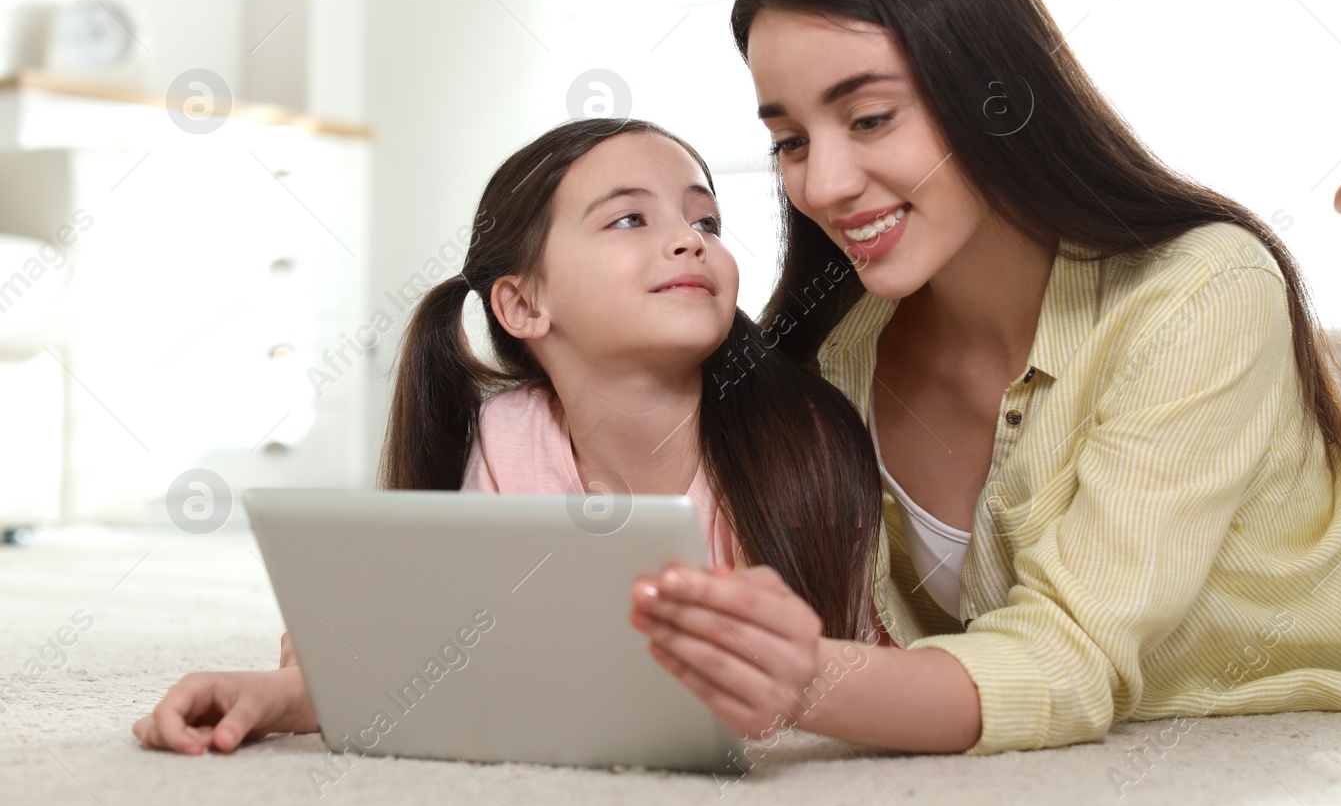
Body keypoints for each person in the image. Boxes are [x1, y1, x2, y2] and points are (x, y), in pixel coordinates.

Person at [627, 0, 1341, 757]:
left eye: (871, 117)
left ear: (991, 92)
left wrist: (815, 680)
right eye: (789, 140)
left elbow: (1070, 660)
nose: (824, 184)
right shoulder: (835, 350)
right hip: (1287, 463)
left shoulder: (1208, 287)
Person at [132, 118, 883, 754]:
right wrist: (279, 695)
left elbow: (855, 670)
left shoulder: (798, 433)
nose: (689, 241)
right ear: (523, 304)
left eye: (705, 221)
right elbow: (445, 655)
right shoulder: (509, 432)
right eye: (630, 218)